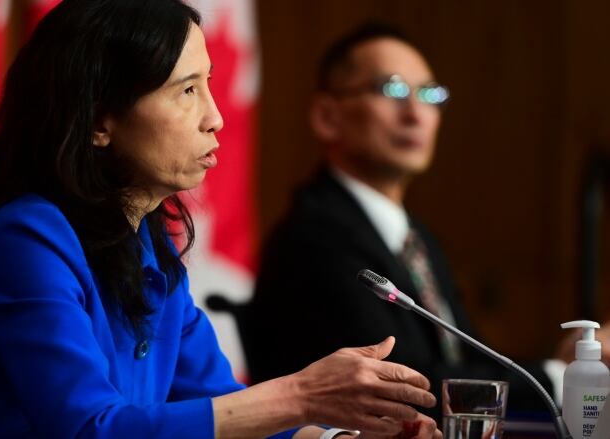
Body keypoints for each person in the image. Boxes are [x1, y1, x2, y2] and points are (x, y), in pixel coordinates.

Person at [0, 2, 443, 438]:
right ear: (99, 120)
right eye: (187, 91)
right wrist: (302, 393)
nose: (216, 118)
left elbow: (225, 410)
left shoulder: (146, 248)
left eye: (210, 85)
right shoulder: (27, 238)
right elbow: (88, 430)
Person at [248, 22, 609, 419]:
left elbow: (471, 365)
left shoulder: (416, 238)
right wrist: (562, 376)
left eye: (430, 94)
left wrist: (568, 366)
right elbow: (408, 385)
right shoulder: (314, 238)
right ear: (326, 116)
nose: (416, 113)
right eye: (393, 90)